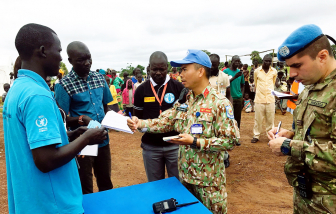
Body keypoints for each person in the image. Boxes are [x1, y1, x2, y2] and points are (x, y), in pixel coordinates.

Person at [3, 23, 107, 214]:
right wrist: (87, 139)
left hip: (30, 201)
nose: (61, 57)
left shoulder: (17, 89)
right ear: (43, 51)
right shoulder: (37, 96)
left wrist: (71, 134)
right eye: (58, 50)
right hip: (53, 205)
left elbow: (32, 142)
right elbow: (46, 160)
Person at [128, 49, 239, 213]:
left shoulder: (219, 103)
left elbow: (230, 141)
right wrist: (140, 123)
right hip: (186, 180)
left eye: (185, 69)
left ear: (200, 71)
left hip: (208, 184)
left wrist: (194, 142)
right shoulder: (187, 100)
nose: (180, 74)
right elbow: (166, 120)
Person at [268, 24, 336, 213]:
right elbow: (316, 132)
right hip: (308, 196)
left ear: (322, 56)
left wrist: (289, 146)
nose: (293, 75)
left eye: (297, 65)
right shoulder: (311, 87)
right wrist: (289, 134)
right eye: (289, 67)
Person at [55, 41, 114, 194]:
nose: (87, 63)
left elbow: (105, 105)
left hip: (102, 138)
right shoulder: (64, 85)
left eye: (89, 58)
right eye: (81, 60)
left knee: (106, 182)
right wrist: (82, 118)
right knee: (85, 185)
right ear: (70, 61)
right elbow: (62, 119)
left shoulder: (99, 78)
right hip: (82, 143)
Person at [133, 51, 184, 182]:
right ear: (149, 68)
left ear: (167, 67)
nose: (158, 73)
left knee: (178, 185)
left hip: (175, 145)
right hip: (151, 147)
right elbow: (138, 118)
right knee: (155, 186)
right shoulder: (141, 90)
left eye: (162, 69)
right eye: (154, 69)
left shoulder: (178, 87)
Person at [209, 54, 232, 167]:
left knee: (222, 134)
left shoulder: (224, 76)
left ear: (219, 64)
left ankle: (225, 157)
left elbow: (228, 94)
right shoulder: (203, 76)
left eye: (214, 65)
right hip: (207, 110)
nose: (212, 67)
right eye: (210, 65)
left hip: (221, 110)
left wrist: (229, 108)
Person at [251, 54, 277, 143]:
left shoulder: (274, 71)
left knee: (270, 119)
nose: (268, 62)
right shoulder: (257, 71)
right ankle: (256, 135)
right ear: (263, 60)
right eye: (266, 61)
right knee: (258, 119)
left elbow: (273, 83)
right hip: (259, 99)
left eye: (269, 61)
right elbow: (256, 83)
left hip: (270, 99)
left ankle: (270, 136)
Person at [223, 56, 245, 129]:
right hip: (228, 98)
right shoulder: (225, 72)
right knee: (228, 118)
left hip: (238, 98)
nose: (237, 63)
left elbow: (243, 85)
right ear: (231, 61)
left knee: (237, 118)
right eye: (236, 61)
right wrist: (234, 77)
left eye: (239, 61)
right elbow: (223, 83)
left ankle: (237, 135)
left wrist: (241, 95)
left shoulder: (240, 72)